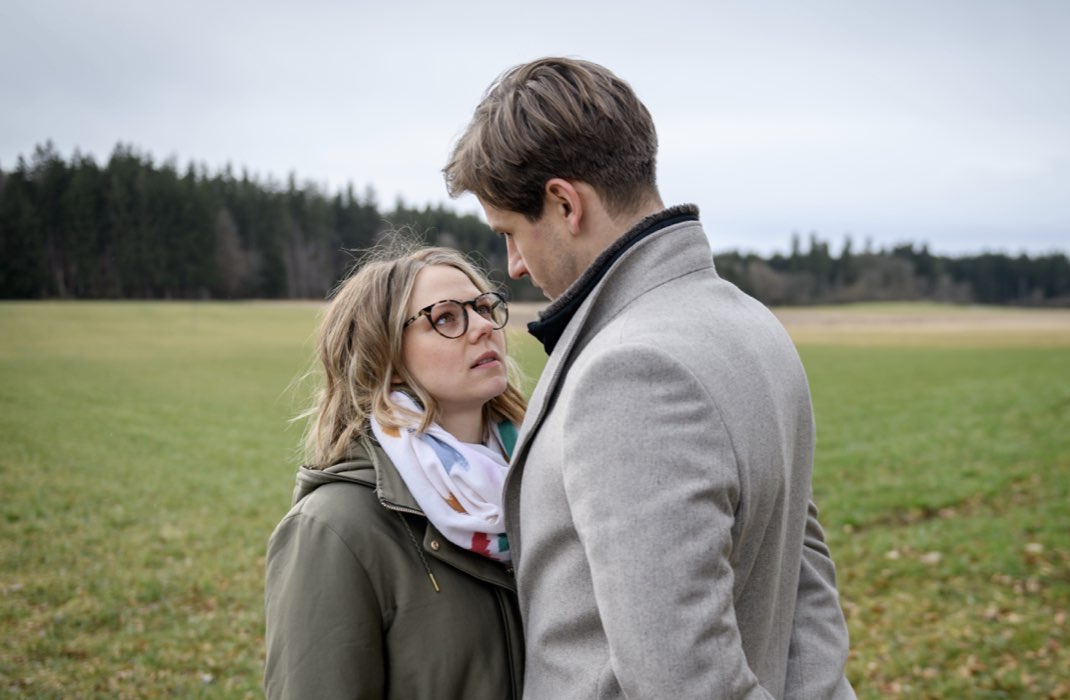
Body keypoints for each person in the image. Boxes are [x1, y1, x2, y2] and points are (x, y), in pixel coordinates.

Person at [444, 58, 855, 699]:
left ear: (563, 203)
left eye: (510, 233)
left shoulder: (632, 374)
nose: (514, 266)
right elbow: (806, 596)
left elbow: (684, 682)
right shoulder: (752, 324)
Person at [263, 246, 527, 699]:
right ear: (383, 353)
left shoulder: (541, 486)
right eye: (446, 318)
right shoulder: (334, 528)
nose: (484, 326)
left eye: (485, 307)